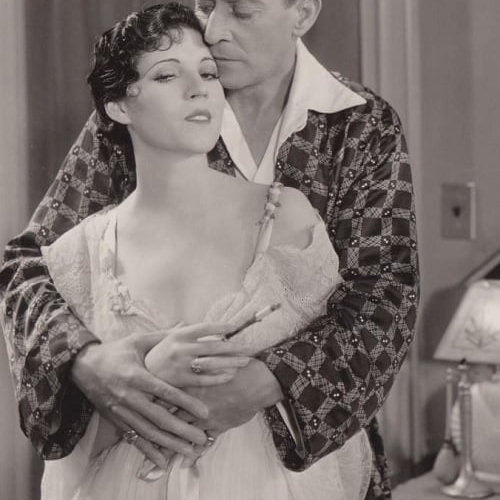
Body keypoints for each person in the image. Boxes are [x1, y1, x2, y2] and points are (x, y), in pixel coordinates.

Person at [0, 0, 419, 499]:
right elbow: (28, 266)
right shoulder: (147, 111)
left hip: (298, 461)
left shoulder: (361, 125)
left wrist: (271, 380)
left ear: (303, 13)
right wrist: (87, 362)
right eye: (205, 5)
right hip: (139, 457)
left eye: (241, 11)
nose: (214, 29)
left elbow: (385, 293)